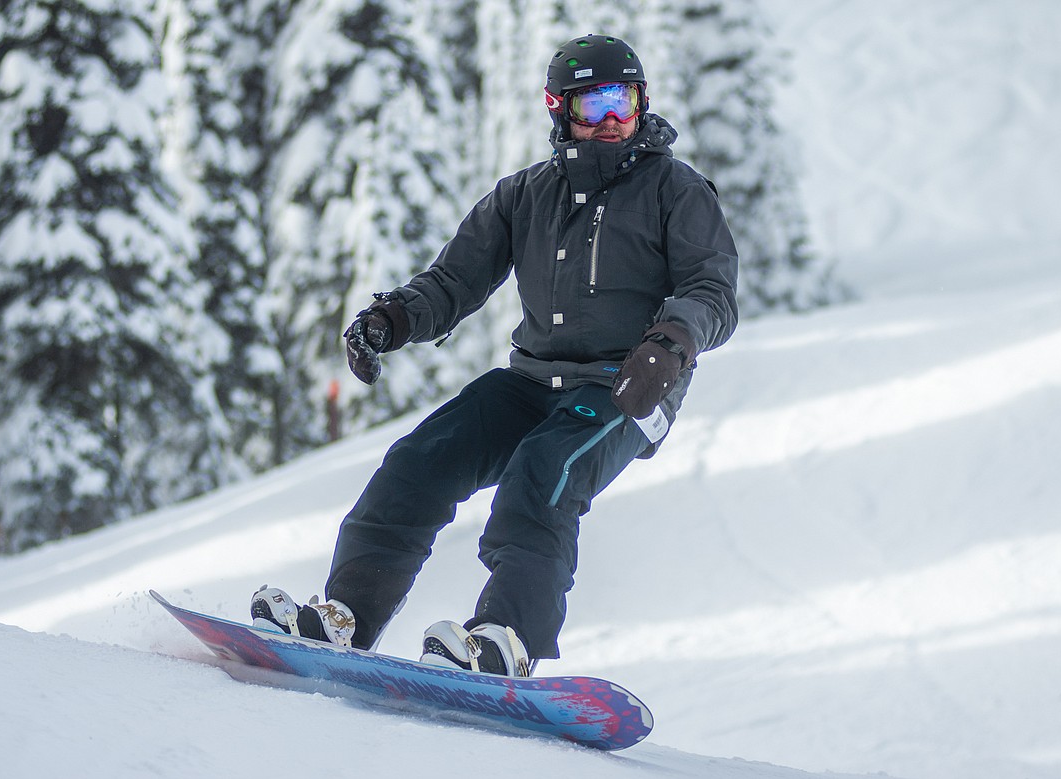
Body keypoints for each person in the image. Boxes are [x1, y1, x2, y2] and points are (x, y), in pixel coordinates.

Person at [252, 34, 739, 676]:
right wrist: (392, 319)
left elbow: (713, 290)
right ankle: (344, 617)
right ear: (559, 110)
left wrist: (669, 345)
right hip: (533, 379)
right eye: (593, 107)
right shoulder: (525, 195)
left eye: (624, 101)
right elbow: (453, 282)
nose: (614, 120)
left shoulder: (676, 190)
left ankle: (505, 641)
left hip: (627, 386)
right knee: (418, 463)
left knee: (542, 476)